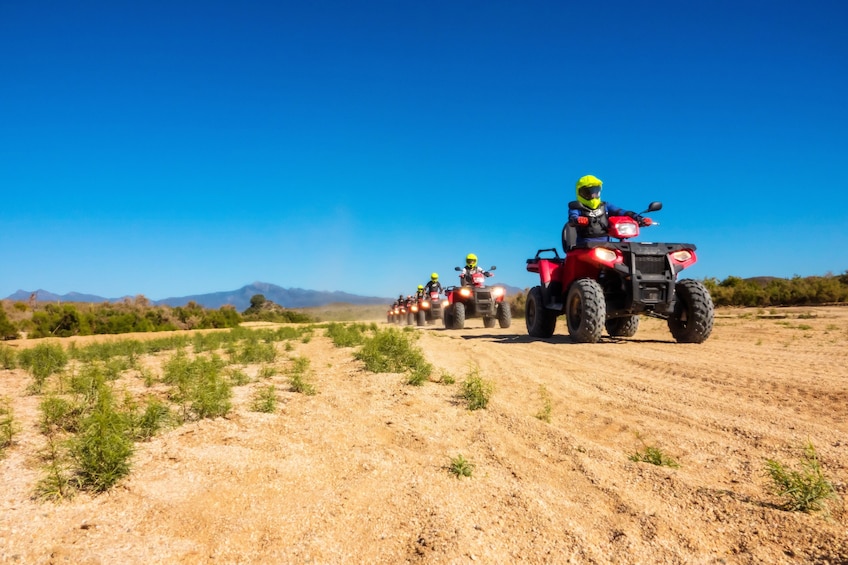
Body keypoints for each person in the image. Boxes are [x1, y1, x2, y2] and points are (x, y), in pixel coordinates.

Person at [566, 174, 652, 247]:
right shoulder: (576, 207)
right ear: (580, 193)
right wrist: (577, 220)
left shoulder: (605, 205)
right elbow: (572, 218)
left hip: (607, 244)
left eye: (595, 191)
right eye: (589, 192)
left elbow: (622, 212)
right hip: (585, 245)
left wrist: (639, 218)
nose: (593, 195)